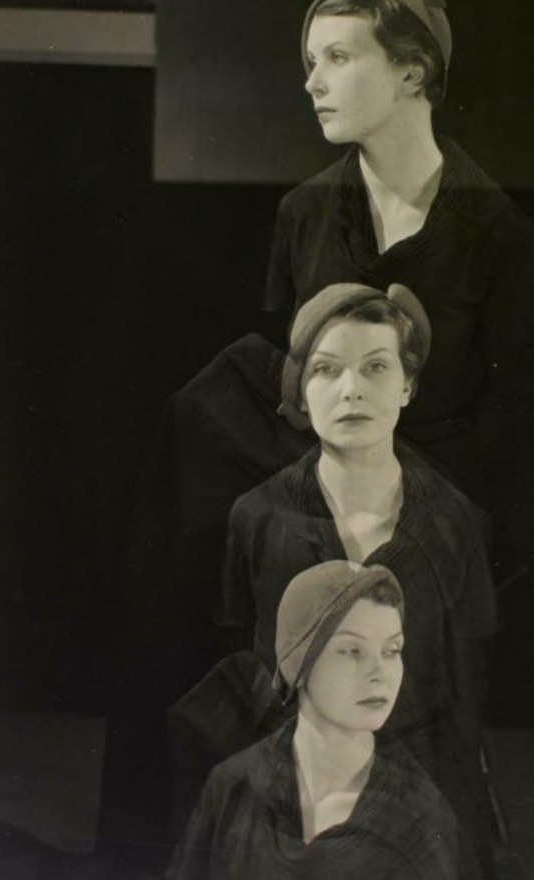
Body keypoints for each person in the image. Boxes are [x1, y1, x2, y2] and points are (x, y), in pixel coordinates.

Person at [215, 283, 496, 878]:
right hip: (294, 788)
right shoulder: (256, 518)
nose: (352, 389)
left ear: (407, 385)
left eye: (375, 366)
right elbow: (245, 668)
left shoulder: (455, 523)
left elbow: (464, 689)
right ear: (300, 390)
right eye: (326, 369)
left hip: (417, 790)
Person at [265, 0, 534, 506]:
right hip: (318, 501)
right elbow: (281, 377)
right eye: (312, 61)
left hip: (446, 504)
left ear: (412, 72)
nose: (313, 82)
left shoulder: (498, 229)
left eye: (338, 57)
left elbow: (509, 405)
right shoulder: (302, 212)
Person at [169, 560, 457, 880]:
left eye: (391, 650)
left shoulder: (420, 818)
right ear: (299, 662)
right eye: (352, 651)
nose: (380, 673)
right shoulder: (232, 788)